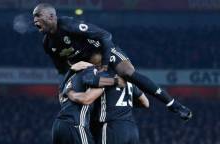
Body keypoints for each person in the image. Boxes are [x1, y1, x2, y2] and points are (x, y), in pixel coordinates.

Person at [32, 3, 192, 121]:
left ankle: (174, 105)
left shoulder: (68, 25)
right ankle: (120, 86)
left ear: (51, 16)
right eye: (33, 17)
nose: (34, 20)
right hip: (88, 66)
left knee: (127, 73)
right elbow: (61, 69)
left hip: (103, 52)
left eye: (38, 15)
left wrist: (105, 65)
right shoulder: (47, 44)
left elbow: (105, 36)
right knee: (93, 88)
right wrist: (62, 89)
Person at [68, 55, 149, 144]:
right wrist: (126, 103)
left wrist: (70, 93)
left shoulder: (105, 78)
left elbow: (86, 99)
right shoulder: (129, 80)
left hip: (112, 128)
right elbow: (146, 103)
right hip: (132, 131)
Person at [53, 60, 126, 144]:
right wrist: (115, 81)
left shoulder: (69, 77)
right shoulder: (94, 74)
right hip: (77, 125)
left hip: (58, 127)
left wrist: (70, 89)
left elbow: (61, 97)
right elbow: (86, 99)